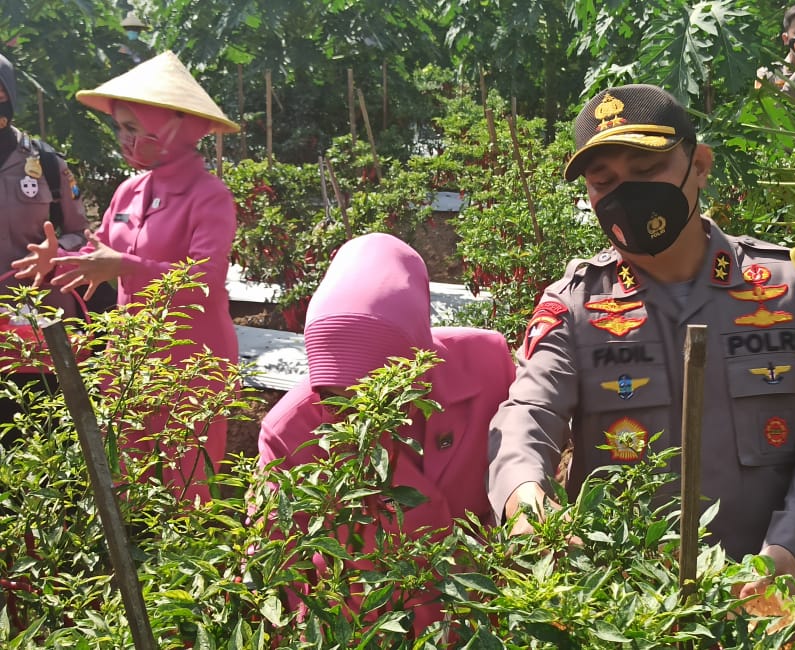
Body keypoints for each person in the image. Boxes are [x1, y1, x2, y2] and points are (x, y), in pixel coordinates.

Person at [487, 83, 795, 598]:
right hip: (621, 609)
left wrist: (786, 554)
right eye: (603, 182)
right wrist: (524, 497)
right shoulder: (574, 306)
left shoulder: (792, 287)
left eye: (648, 172)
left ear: (699, 165)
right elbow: (527, 412)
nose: (626, 195)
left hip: (762, 604)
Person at [12, 51, 240, 504]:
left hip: (190, 360)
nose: (123, 139)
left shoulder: (210, 197)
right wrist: (60, 259)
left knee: (184, 482)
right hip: (129, 354)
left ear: (177, 129)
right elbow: (103, 252)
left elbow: (204, 281)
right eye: (119, 127)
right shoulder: (129, 190)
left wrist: (125, 267)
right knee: (124, 475)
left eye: (133, 128)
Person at [258, 233, 514, 632]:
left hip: (482, 614)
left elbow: (520, 471)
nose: (359, 411)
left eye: (378, 386)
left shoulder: (485, 364)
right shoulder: (290, 432)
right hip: (369, 625)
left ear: (418, 356)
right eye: (335, 391)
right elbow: (276, 569)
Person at [0, 53, 89, 433]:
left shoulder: (47, 162)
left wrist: (58, 254)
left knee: (45, 436)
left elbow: (81, 234)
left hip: (40, 328)